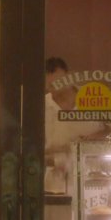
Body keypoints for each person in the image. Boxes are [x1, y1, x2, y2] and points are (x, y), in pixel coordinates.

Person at [44, 57, 104, 194]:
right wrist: (54, 158)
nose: (53, 87)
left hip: (92, 181)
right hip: (54, 185)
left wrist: (96, 137)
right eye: (49, 85)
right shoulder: (42, 106)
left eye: (58, 82)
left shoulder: (93, 98)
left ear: (69, 76)